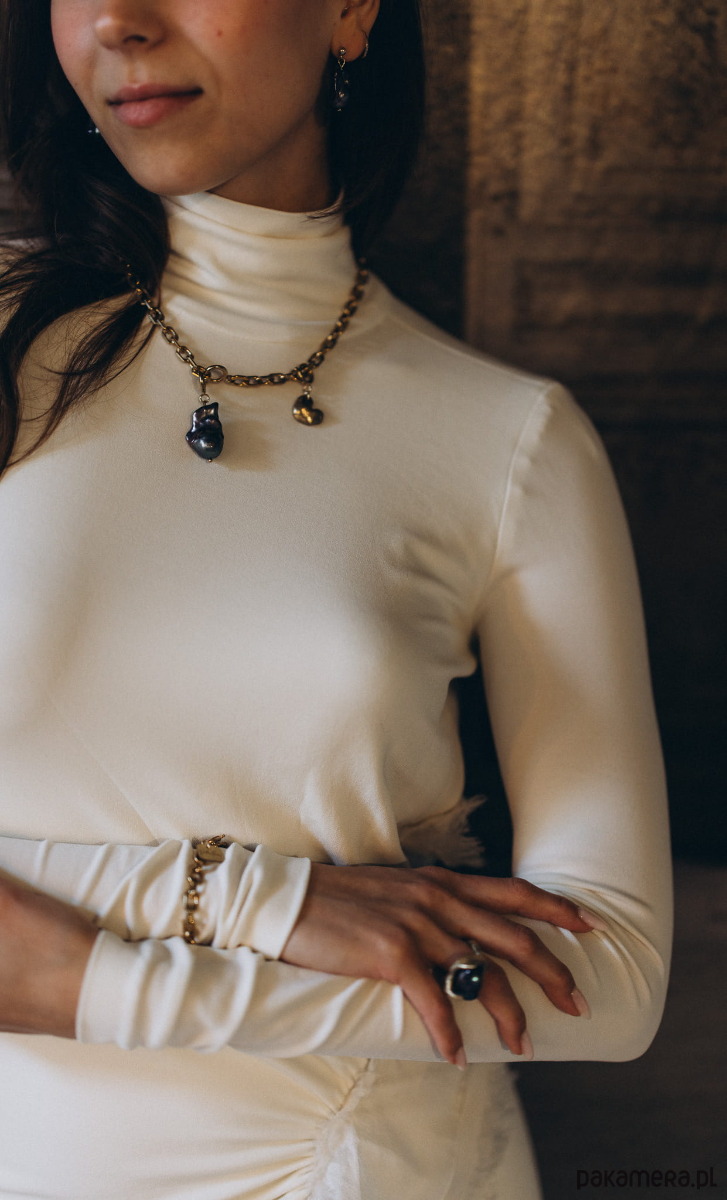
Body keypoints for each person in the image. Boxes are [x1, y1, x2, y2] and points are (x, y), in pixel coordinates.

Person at [0, 1, 672, 1197]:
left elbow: (610, 979)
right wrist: (259, 900)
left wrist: (86, 981)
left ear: (352, 8)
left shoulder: (510, 438)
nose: (117, 21)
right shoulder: (16, 352)